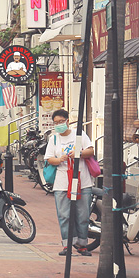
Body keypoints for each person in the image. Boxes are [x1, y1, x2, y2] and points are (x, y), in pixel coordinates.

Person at [43, 108, 95, 257]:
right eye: (55, 123)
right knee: (64, 215)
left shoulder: (79, 135)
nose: (58, 125)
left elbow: (90, 151)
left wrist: (78, 153)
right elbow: (49, 159)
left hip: (82, 181)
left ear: (67, 121)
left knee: (83, 214)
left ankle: (82, 245)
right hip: (62, 182)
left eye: (61, 121)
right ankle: (67, 245)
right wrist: (60, 159)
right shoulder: (54, 139)